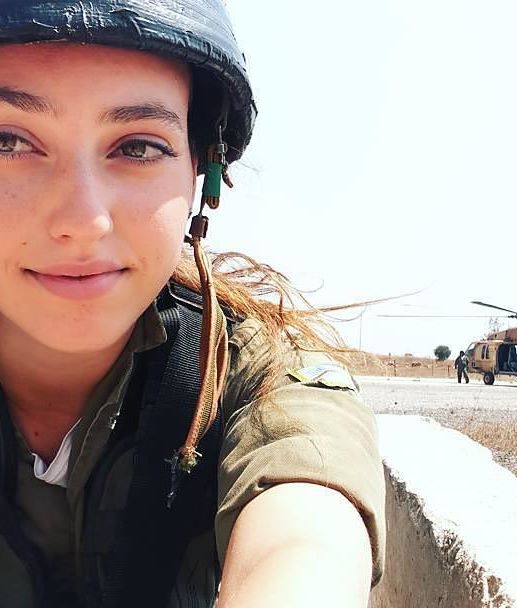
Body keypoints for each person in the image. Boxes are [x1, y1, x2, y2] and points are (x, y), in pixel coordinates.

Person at [0, 1, 386, 606]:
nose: (83, 220)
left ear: (203, 175)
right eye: (8, 140)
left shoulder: (249, 375)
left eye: (137, 147)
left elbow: (306, 538)